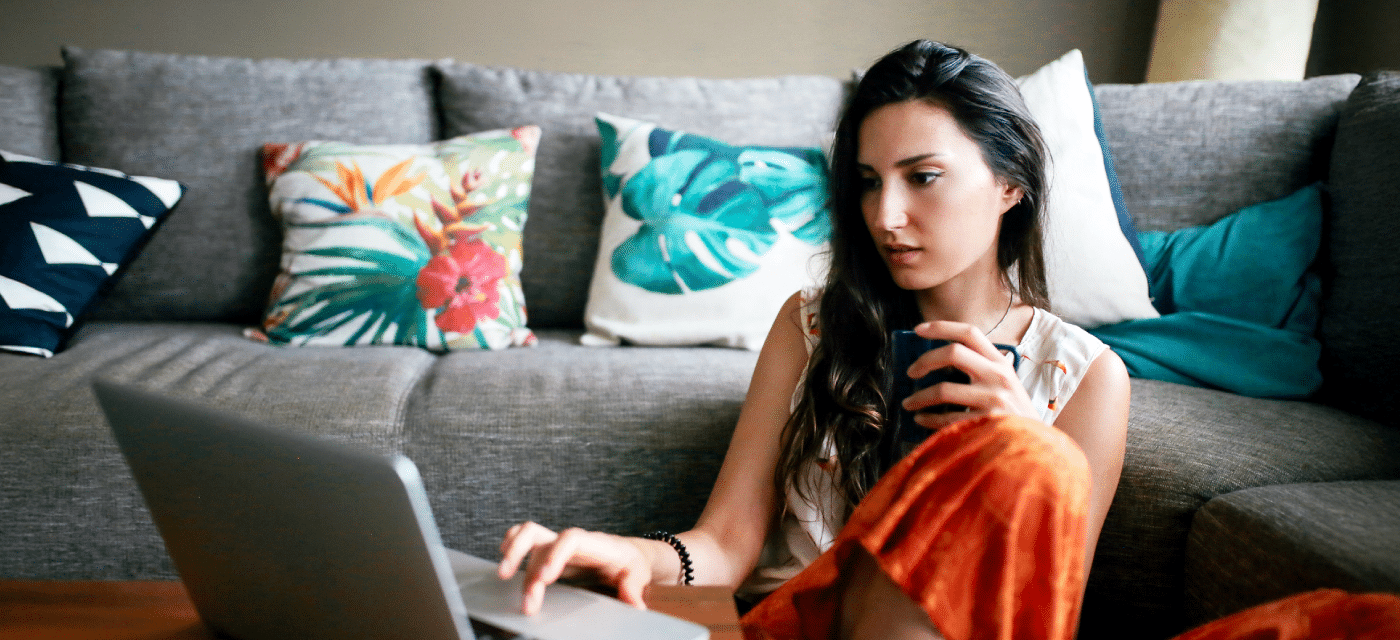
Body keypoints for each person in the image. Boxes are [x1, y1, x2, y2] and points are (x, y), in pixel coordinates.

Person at [495, 40, 1400, 640]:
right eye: (866, 182)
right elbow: (726, 548)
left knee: (1354, 623)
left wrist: (1015, 442)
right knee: (1030, 463)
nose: (886, 215)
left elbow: (1046, 610)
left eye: (924, 178)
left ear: (1010, 187)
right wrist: (632, 554)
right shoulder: (812, 324)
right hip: (800, 621)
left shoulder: (1087, 375)